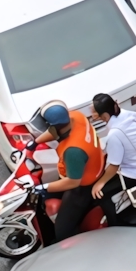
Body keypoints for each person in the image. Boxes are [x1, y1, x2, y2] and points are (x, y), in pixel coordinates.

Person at [28, 102, 104, 241]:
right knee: (46, 194)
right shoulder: (76, 116)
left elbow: (73, 182)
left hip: (83, 186)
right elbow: (55, 130)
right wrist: (35, 143)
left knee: (63, 230)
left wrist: (45, 187)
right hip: (88, 165)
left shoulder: (73, 151)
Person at [88, 93, 136, 224]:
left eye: (93, 112)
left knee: (101, 194)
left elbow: (114, 166)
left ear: (103, 116)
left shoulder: (114, 134)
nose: (92, 114)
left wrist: (100, 183)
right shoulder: (125, 113)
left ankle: (114, 225)